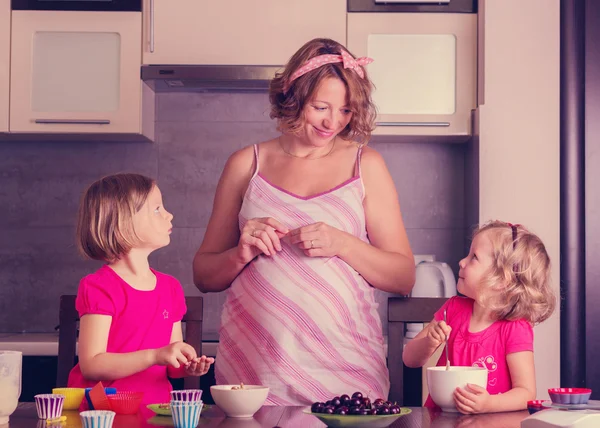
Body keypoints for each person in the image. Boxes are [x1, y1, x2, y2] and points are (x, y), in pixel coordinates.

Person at [193, 38, 415, 405]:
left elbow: (403, 276)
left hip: (347, 370)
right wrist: (241, 252)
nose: (333, 122)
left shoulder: (366, 165)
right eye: (321, 107)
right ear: (292, 97)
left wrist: (344, 243)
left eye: (345, 110)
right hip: (254, 374)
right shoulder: (246, 164)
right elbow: (204, 275)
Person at [68, 173, 214, 406]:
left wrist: (187, 367)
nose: (169, 214)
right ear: (122, 222)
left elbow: (171, 366)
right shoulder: (98, 287)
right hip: (103, 412)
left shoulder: (170, 288)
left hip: (154, 411)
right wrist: (154, 355)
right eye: (157, 209)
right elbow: (92, 365)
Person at [403, 220, 556, 414]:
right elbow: (410, 359)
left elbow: (526, 392)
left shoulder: (515, 327)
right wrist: (429, 341)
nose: (462, 261)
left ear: (502, 279)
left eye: (473, 257)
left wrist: (488, 404)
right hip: (438, 419)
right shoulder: (452, 309)